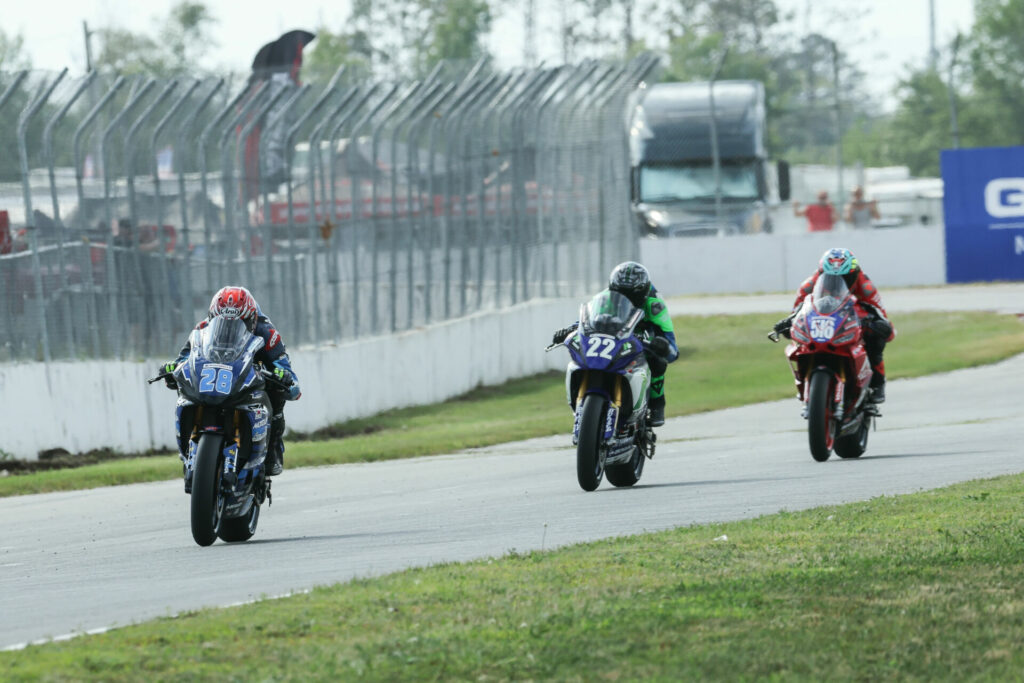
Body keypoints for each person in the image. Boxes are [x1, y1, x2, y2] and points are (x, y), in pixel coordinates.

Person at [162, 286, 301, 476]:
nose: (228, 328)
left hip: (249, 381)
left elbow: (290, 378)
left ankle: (273, 448)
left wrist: (282, 377)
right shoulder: (201, 329)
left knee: (277, 393)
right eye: (221, 322)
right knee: (184, 385)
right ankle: (191, 444)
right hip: (213, 380)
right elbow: (184, 359)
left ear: (251, 319)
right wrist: (172, 369)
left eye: (239, 322)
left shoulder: (267, 333)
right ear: (212, 317)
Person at [551, 261, 679, 427]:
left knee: (658, 361)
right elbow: (587, 320)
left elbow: (671, 345)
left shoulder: (655, 306)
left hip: (642, 337)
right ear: (613, 288)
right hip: (614, 334)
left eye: (630, 295)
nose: (625, 299)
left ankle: (657, 404)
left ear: (642, 293)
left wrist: (663, 346)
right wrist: (569, 330)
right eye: (620, 293)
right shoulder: (605, 297)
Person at [773, 248, 895, 402]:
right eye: (831, 277)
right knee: (798, 345)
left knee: (876, 339)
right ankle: (806, 381)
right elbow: (798, 313)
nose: (838, 282)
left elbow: (881, 316)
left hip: (852, 319)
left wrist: (882, 328)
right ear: (821, 273)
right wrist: (788, 324)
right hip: (821, 322)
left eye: (846, 278)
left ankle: (878, 383)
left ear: (855, 274)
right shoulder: (809, 285)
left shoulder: (865, 286)